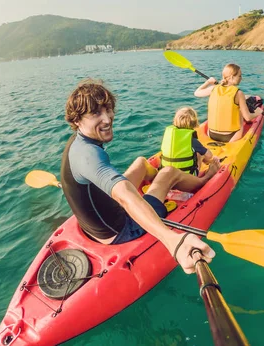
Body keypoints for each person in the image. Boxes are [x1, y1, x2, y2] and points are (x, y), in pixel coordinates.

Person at [61, 79, 220, 274]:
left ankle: (158, 183)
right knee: (168, 172)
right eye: (96, 113)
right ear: (77, 120)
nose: (107, 118)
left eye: (108, 109)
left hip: (104, 219)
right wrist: (172, 241)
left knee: (141, 163)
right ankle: (200, 180)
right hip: (122, 230)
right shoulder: (89, 155)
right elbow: (124, 195)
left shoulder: (76, 144)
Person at [194, 63, 263, 143]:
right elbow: (247, 117)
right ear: (231, 77)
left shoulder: (213, 88)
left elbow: (196, 93)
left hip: (211, 134)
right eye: (239, 76)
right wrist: (258, 113)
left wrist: (208, 82)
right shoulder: (239, 93)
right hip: (231, 136)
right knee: (240, 110)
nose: (241, 78)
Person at [160, 107, 220, 175]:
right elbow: (209, 155)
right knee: (199, 154)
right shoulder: (191, 140)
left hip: (167, 175)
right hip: (187, 177)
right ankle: (208, 166)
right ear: (194, 123)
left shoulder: (169, 136)